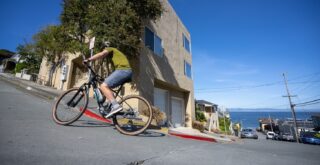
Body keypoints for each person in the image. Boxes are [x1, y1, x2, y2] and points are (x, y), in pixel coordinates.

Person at [84, 41, 132, 118]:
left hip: (123, 70)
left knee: (103, 86)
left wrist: (88, 60)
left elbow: (101, 54)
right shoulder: (116, 54)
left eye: (103, 49)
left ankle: (115, 106)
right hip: (125, 71)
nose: (103, 50)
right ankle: (109, 106)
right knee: (106, 87)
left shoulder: (110, 48)